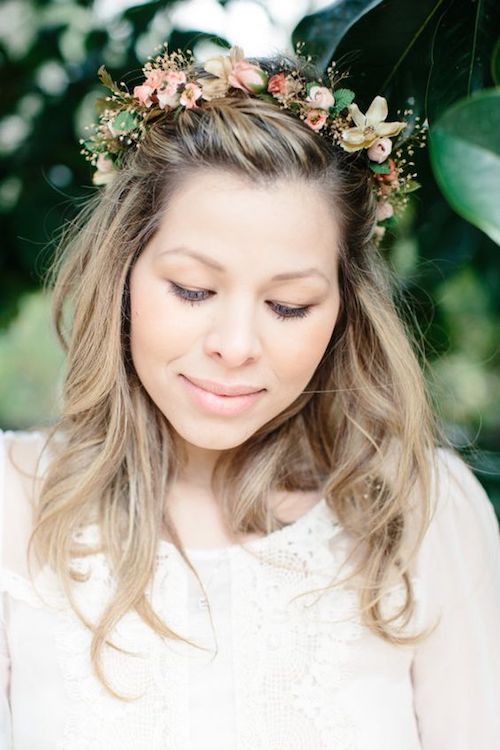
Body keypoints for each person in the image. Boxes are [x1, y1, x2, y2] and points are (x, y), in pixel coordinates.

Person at [1, 44, 499, 750]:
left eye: (289, 305)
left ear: (345, 312)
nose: (235, 345)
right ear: (122, 274)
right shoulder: (12, 505)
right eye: (194, 290)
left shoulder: (419, 510)